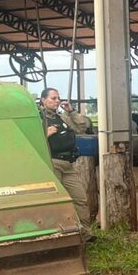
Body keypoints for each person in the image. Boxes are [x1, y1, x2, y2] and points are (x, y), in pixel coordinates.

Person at [38, 88, 92, 232]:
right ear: (43, 100)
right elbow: (31, 142)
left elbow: (81, 127)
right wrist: (45, 134)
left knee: (80, 199)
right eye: (53, 98)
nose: (57, 101)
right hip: (53, 163)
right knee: (55, 200)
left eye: (58, 98)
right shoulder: (38, 119)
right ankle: (55, 231)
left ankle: (84, 233)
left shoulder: (63, 117)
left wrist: (71, 111)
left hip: (69, 164)